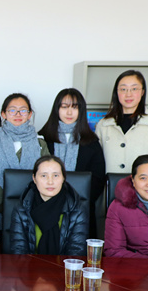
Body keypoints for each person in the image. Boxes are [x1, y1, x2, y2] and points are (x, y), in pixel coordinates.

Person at [38, 88, 105, 234]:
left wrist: (74, 200)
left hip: (81, 208)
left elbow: (98, 179)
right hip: (46, 205)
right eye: (64, 107)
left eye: (74, 107)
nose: (69, 112)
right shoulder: (43, 138)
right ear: (57, 109)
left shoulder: (92, 142)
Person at [0, 93, 48, 231]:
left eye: (23, 110)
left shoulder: (40, 143)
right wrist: (6, 205)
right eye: (12, 110)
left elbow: (47, 176)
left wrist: (31, 206)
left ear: (29, 114)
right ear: (4, 114)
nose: (18, 114)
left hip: (35, 211)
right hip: (0, 211)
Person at [10, 155, 88, 256]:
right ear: (34, 178)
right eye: (44, 176)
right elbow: (18, 252)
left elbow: (76, 253)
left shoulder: (77, 209)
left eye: (55, 176)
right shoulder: (22, 208)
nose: (50, 182)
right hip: (29, 265)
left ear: (63, 178)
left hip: (64, 266)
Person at [95, 70, 148, 172]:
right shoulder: (103, 125)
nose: (128, 94)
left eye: (134, 89)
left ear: (142, 92)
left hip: (143, 183)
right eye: (123, 89)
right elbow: (96, 164)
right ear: (117, 92)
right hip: (110, 182)